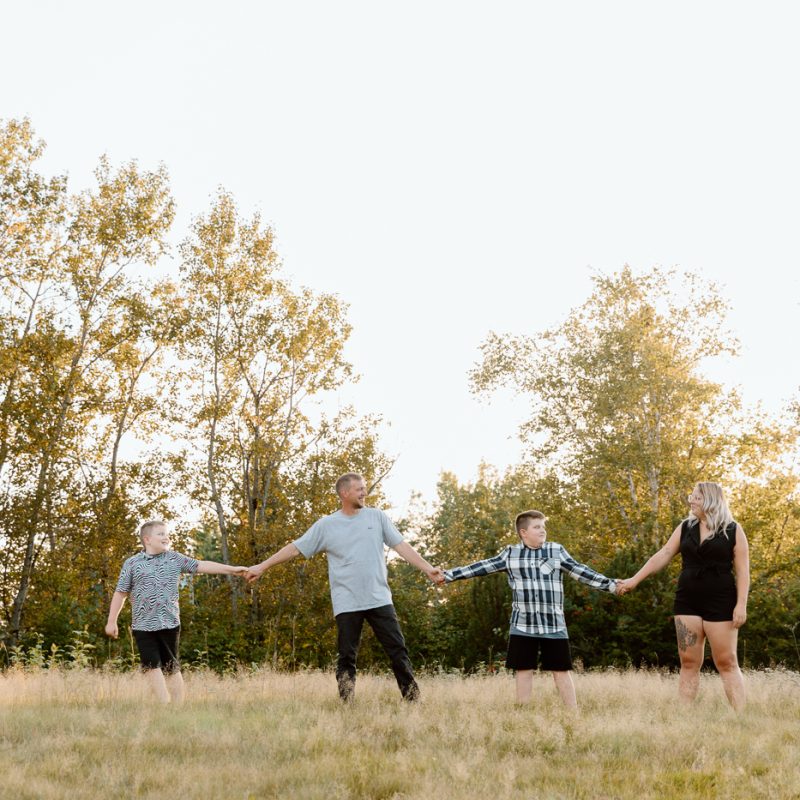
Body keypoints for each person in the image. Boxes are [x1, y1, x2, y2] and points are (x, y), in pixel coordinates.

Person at [244, 472, 443, 702]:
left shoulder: (376, 517)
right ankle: (346, 706)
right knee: (347, 657)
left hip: (379, 598)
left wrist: (428, 569)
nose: (364, 492)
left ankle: (413, 701)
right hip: (347, 602)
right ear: (344, 493)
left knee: (398, 651)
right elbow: (295, 548)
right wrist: (262, 566)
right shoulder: (327, 525)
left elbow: (401, 546)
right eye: (359, 489)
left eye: (364, 488)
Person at [436, 510, 619, 710]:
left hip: (553, 624)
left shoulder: (556, 551)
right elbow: (482, 567)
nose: (543, 530)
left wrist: (612, 585)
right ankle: (522, 715)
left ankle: (572, 714)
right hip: (522, 625)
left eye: (543, 526)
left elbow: (581, 571)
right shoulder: (510, 554)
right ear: (523, 532)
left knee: (561, 670)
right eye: (537, 527)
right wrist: (449, 575)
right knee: (523, 670)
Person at [617, 481, 750, 710]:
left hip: (721, 602)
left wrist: (741, 605)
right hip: (687, 600)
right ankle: (683, 715)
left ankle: (742, 715)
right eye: (691, 496)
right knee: (688, 662)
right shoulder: (686, 527)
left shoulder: (733, 529)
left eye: (696, 497)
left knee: (726, 662)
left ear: (710, 500)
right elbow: (664, 553)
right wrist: (633, 580)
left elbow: (743, 571)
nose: (691, 500)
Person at [105, 519, 247, 703]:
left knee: (170, 667)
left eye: (167, 533)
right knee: (150, 666)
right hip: (143, 624)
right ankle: (164, 704)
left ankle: (178, 706)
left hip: (169, 622)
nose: (166, 537)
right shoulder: (132, 563)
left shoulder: (175, 559)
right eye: (161, 534)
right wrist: (111, 621)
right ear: (147, 539)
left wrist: (233, 570)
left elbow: (202, 565)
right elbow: (120, 593)